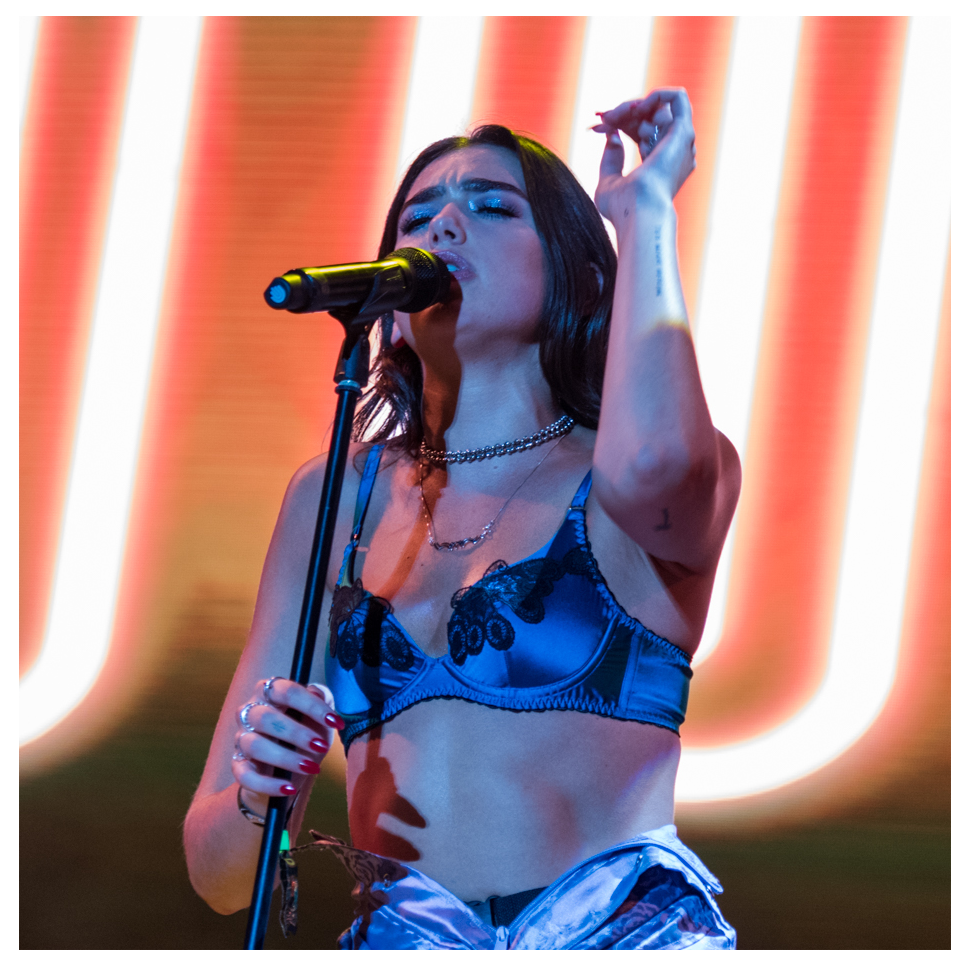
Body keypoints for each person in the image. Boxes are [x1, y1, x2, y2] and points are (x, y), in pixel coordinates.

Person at [184, 89, 742, 950]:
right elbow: (219, 876)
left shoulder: (621, 481)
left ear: (581, 274)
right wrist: (261, 793)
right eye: (417, 216)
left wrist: (645, 219)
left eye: (491, 207)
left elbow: (656, 466)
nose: (443, 225)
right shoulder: (335, 496)